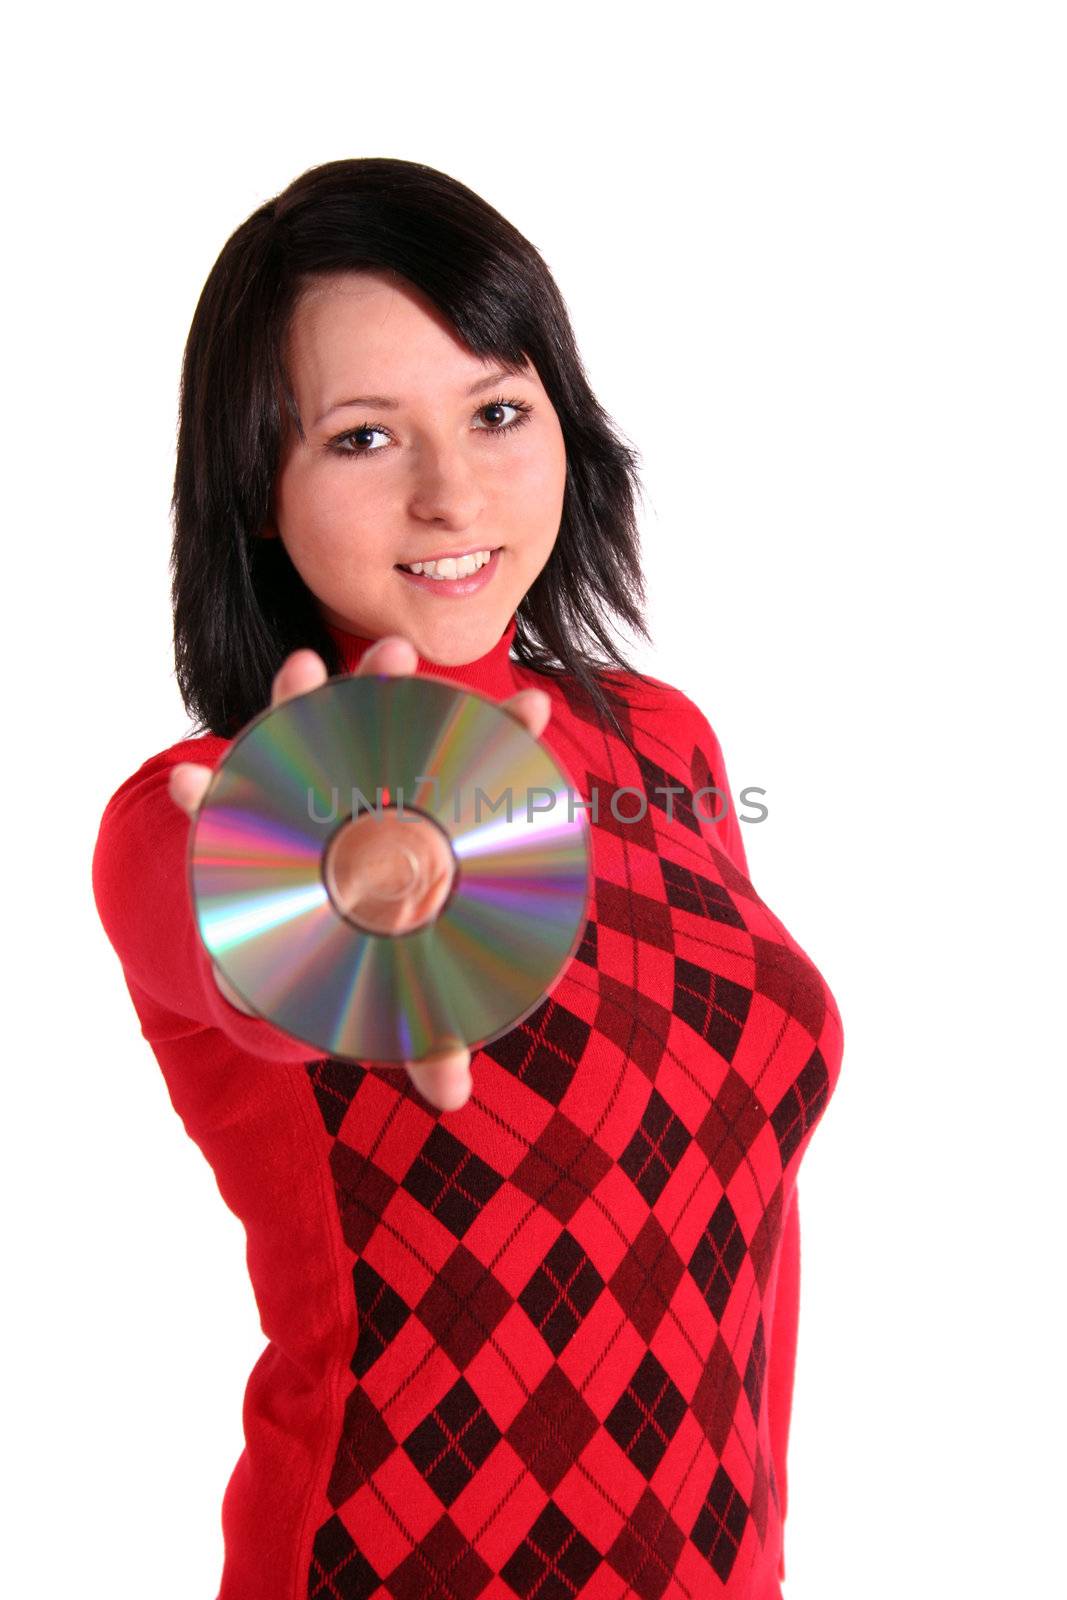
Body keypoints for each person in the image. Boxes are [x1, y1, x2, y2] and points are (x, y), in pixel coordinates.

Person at [92, 157, 844, 1600]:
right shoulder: (198, 820)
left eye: (498, 411)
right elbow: (261, 955)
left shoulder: (661, 739)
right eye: (366, 438)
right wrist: (354, 873)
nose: (453, 494)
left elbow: (739, 1239)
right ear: (258, 489)